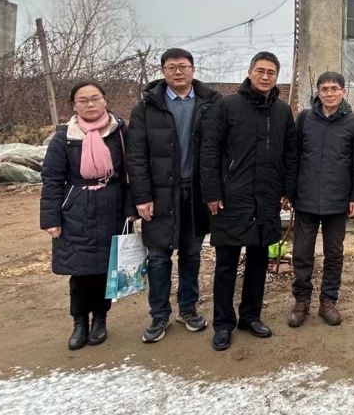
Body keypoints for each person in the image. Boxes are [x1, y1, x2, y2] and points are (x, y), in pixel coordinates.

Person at [200, 51, 298, 351]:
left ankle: (250, 316)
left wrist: (287, 189)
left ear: (277, 76)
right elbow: (209, 150)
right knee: (226, 264)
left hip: (267, 198)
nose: (265, 76)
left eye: (271, 72)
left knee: (259, 261)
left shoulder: (282, 111)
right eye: (260, 70)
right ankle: (223, 324)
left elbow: (290, 153)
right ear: (250, 72)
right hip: (232, 198)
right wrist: (212, 192)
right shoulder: (226, 106)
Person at [126, 48, 221, 343]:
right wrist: (142, 197)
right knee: (158, 257)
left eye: (183, 66)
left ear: (193, 69)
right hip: (160, 193)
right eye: (171, 67)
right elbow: (136, 157)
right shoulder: (146, 107)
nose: (177, 72)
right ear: (163, 71)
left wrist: (214, 191)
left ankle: (188, 309)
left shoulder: (210, 103)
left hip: (195, 191)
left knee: (191, 253)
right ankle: (159, 315)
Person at [40, 81, 133, 350]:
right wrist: (51, 219)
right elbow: (52, 179)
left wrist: (131, 209)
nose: (90, 104)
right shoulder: (65, 137)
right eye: (83, 100)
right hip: (76, 209)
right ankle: (79, 322)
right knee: (79, 272)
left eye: (95, 98)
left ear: (105, 101)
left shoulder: (120, 133)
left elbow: (132, 173)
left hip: (112, 208)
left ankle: (100, 319)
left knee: (105, 269)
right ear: (74, 105)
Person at [288, 71, 354, 328]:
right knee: (302, 252)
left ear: (344, 91)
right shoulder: (305, 118)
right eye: (325, 89)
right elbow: (294, 157)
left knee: (334, 253)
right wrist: (290, 191)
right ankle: (301, 300)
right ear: (318, 92)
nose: (329, 93)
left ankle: (328, 300)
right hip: (306, 198)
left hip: (337, 199)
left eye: (334, 88)